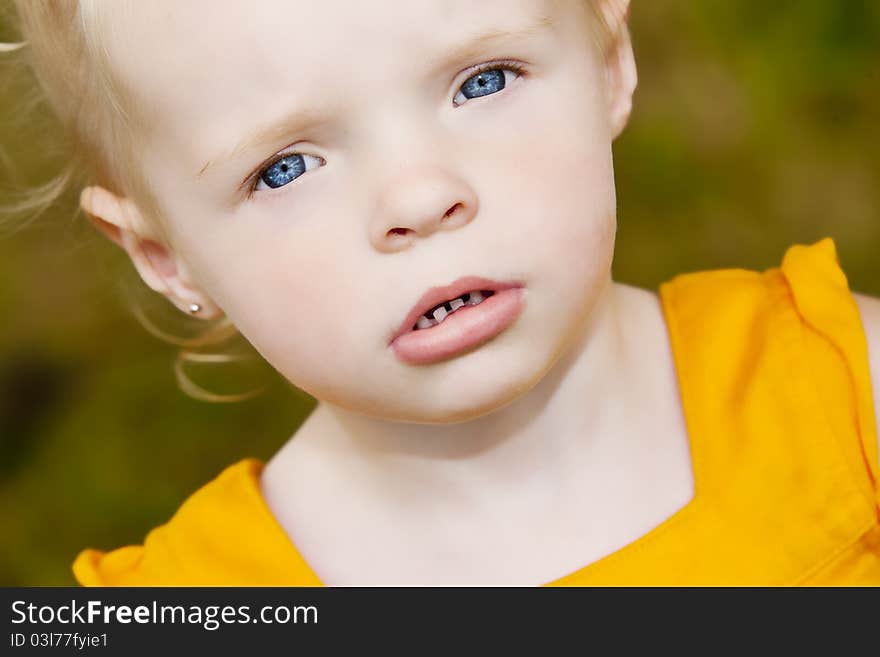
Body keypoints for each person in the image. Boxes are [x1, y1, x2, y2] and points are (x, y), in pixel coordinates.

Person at [3, 0, 879, 586]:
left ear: (610, 59)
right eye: (285, 168)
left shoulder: (845, 396)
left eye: (483, 80)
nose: (419, 199)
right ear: (168, 256)